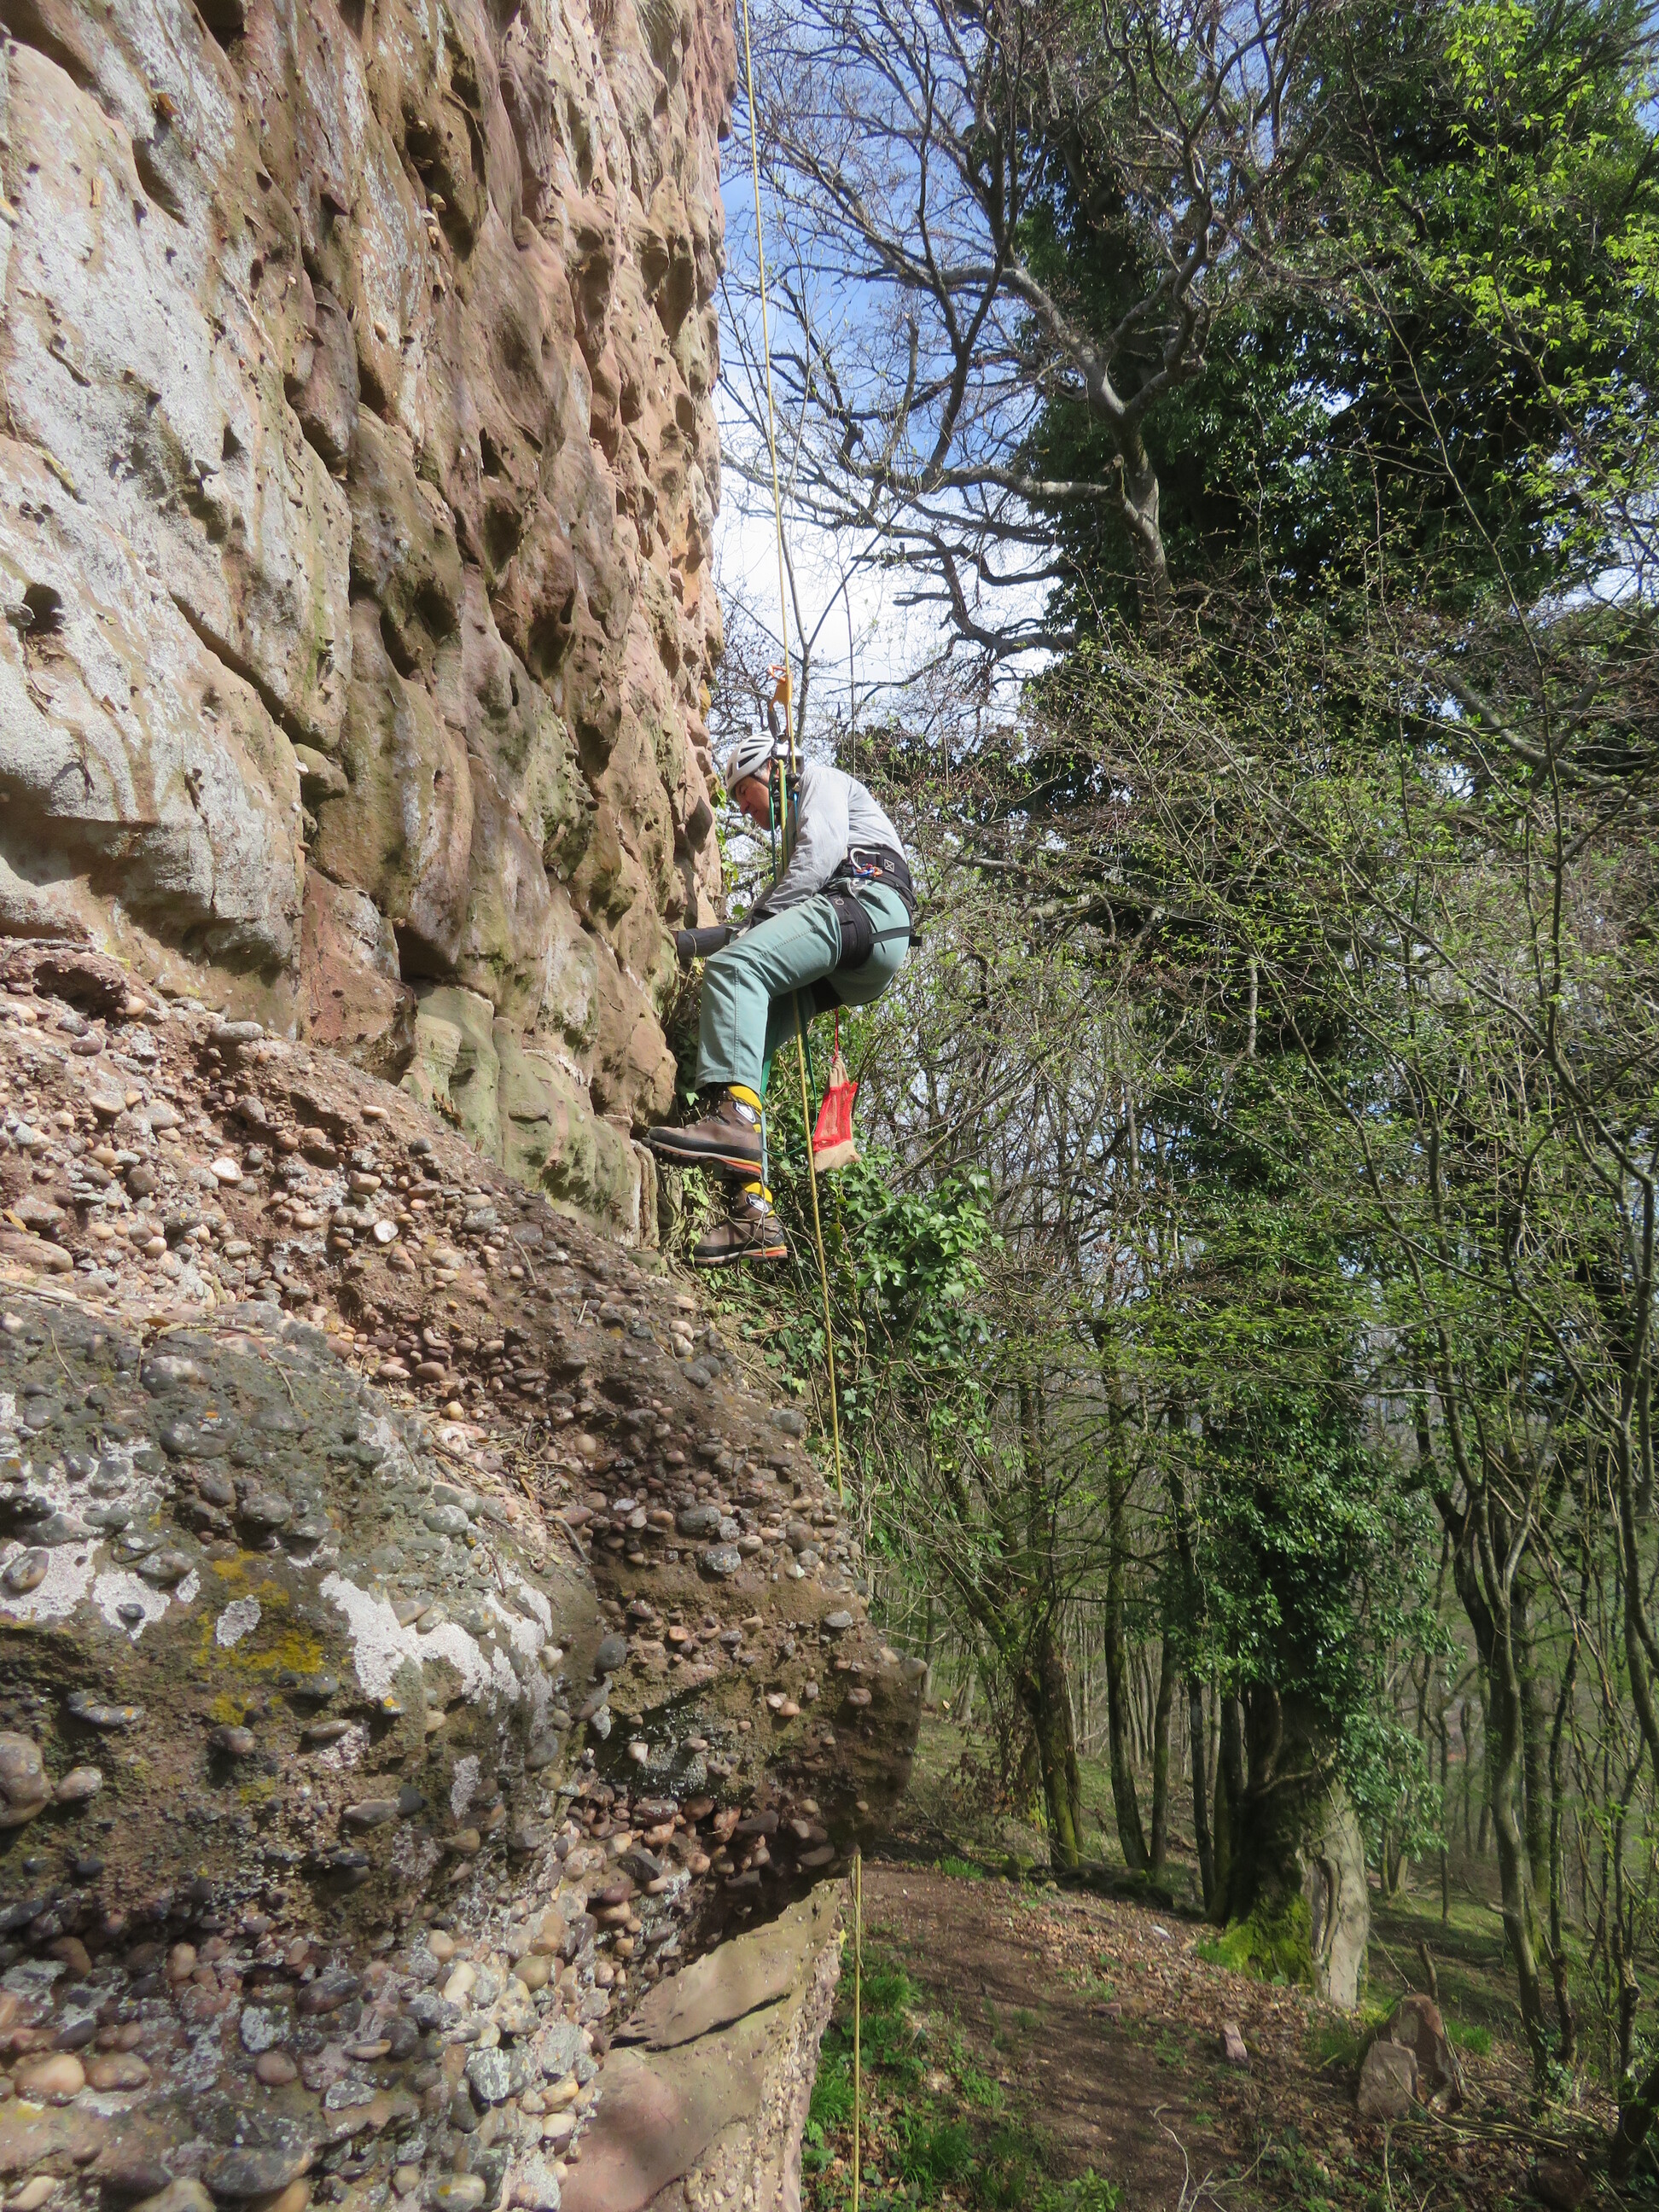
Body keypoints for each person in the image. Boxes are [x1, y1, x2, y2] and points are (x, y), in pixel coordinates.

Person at [649, 732, 916, 1265]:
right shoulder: (798, 829)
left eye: (745, 794)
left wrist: (746, 935)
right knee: (754, 1038)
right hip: (861, 952)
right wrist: (690, 941)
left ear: (770, 770)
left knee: (736, 969)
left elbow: (818, 860)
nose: (745, 811)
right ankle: (754, 1212)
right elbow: (763, 918)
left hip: (867, 907)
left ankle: (735, 1126)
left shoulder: (820, 781)